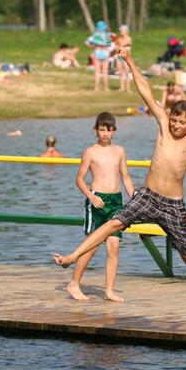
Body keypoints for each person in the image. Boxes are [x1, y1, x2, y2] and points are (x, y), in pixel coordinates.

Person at [54, 48, 186, 310]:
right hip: (148, 195)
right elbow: (145, 90)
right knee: (114, 224)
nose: (176, 126)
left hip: (173, 204)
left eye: (182, 122)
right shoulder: (162, 123)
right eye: (174, 120)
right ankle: (72, 256)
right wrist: (130, 62)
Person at [67, 112, 135, 302]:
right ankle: (74, 283)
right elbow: (79, 179)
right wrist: (90, 196)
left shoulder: (120, 151)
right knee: (93, 245)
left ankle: (109, 290)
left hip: (116, 201)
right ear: (96, 129)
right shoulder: (90, 152)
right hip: (97, 199)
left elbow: (126, 177)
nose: (105, 133)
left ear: (114, 131)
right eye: (102, 129)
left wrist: (135, 197)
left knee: (113, 246)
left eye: (109, 130)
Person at [85, 21, 114, 92]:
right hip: (106, 52)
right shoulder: (108, 35)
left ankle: (96, 88)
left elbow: (86, 42)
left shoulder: (95, 36)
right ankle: (106, 88)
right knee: (105, 71)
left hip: (97, 51)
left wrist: (93, 47)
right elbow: (115, 41)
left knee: (97, 71)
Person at [115, 25, 133, 92]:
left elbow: (122, 44)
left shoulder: (129, 38)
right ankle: (122, 87)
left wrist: (118, 45)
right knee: (121, 72)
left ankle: (128, 88)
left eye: (122, 30)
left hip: (126, 57)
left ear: (126, 31)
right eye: (120, 30)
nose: (120, 32)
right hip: (119, 56)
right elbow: (116, 47)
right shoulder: (119, 39)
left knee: (127, 72)